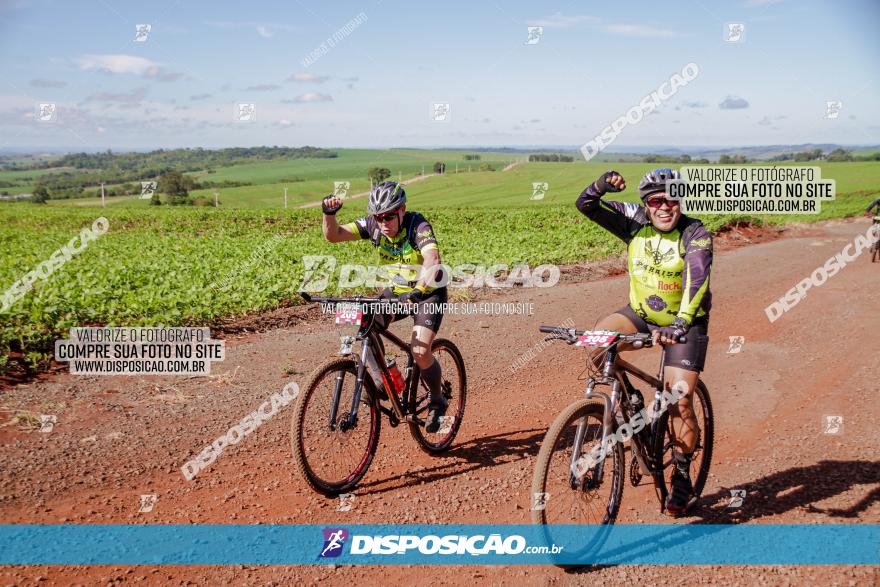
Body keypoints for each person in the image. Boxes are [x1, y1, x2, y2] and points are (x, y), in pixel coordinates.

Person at [576, 168, 713, 517]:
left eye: (672, 199)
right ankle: (630, 402)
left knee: (680, 400)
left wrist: (680, 324)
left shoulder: (695, 234)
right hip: (641, 315)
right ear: (646, 204)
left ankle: (681, 474)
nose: (665, 206)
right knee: (596, 345)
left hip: (684, 322)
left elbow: (697, 280)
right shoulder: (635, 221)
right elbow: (586, 204)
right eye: (656, 200)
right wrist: (601, 185)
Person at [321, 181, 448, 432]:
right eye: (378, 217)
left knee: (420, 351)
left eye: (389, 216)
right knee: (363, 324)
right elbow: (333, 235)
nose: (383, 223)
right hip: (398, 291)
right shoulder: (373, 226)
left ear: (402, 210)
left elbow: (433, 260)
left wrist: (418, 291)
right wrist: (328, 214)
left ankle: (437, 399)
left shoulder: (417, 224)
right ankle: (385, 382)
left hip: (427, 293)